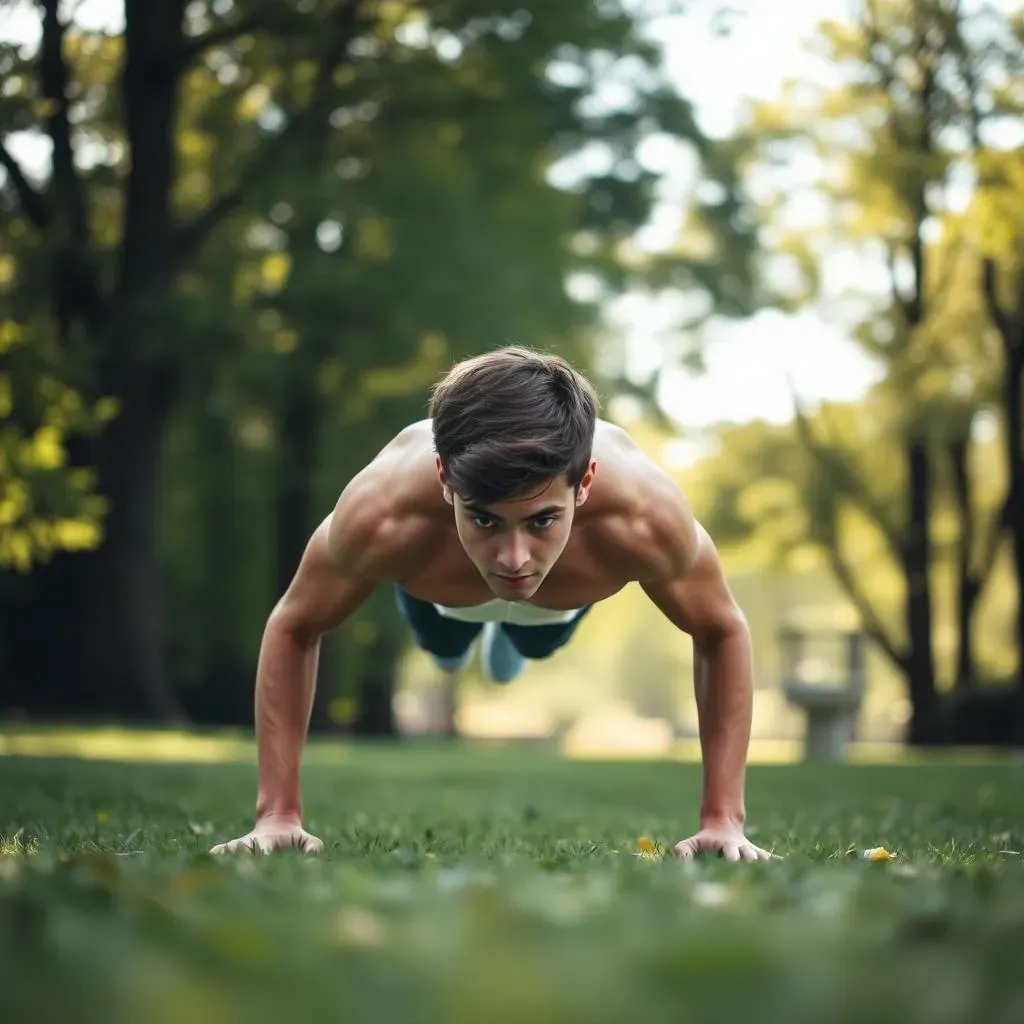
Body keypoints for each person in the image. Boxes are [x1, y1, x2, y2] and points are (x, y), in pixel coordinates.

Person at [211, 346, 773, 862]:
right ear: (443, 480)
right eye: (484, 518)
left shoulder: (644, 517)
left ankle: (510, 645)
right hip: (441, 594)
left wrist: (723, 820)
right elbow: (295, 623)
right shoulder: (383, 514)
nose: (513, 558)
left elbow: (721, 628)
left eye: (541, 520)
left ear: (585, 484)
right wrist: (276, 815)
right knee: (445, 641)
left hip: (557, 603)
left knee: (530, 636)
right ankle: (462, 640)